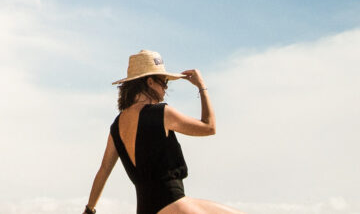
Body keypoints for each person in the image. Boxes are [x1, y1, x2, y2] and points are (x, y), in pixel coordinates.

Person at [83, 50, 245, 214]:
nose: (166, 87)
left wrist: (89, 209)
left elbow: (104, 170)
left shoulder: (117, 126)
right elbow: (209, 126)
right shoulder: (161, 113)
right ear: (150, 82)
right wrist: (202, 86)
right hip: (173, 205)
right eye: (164, 81)